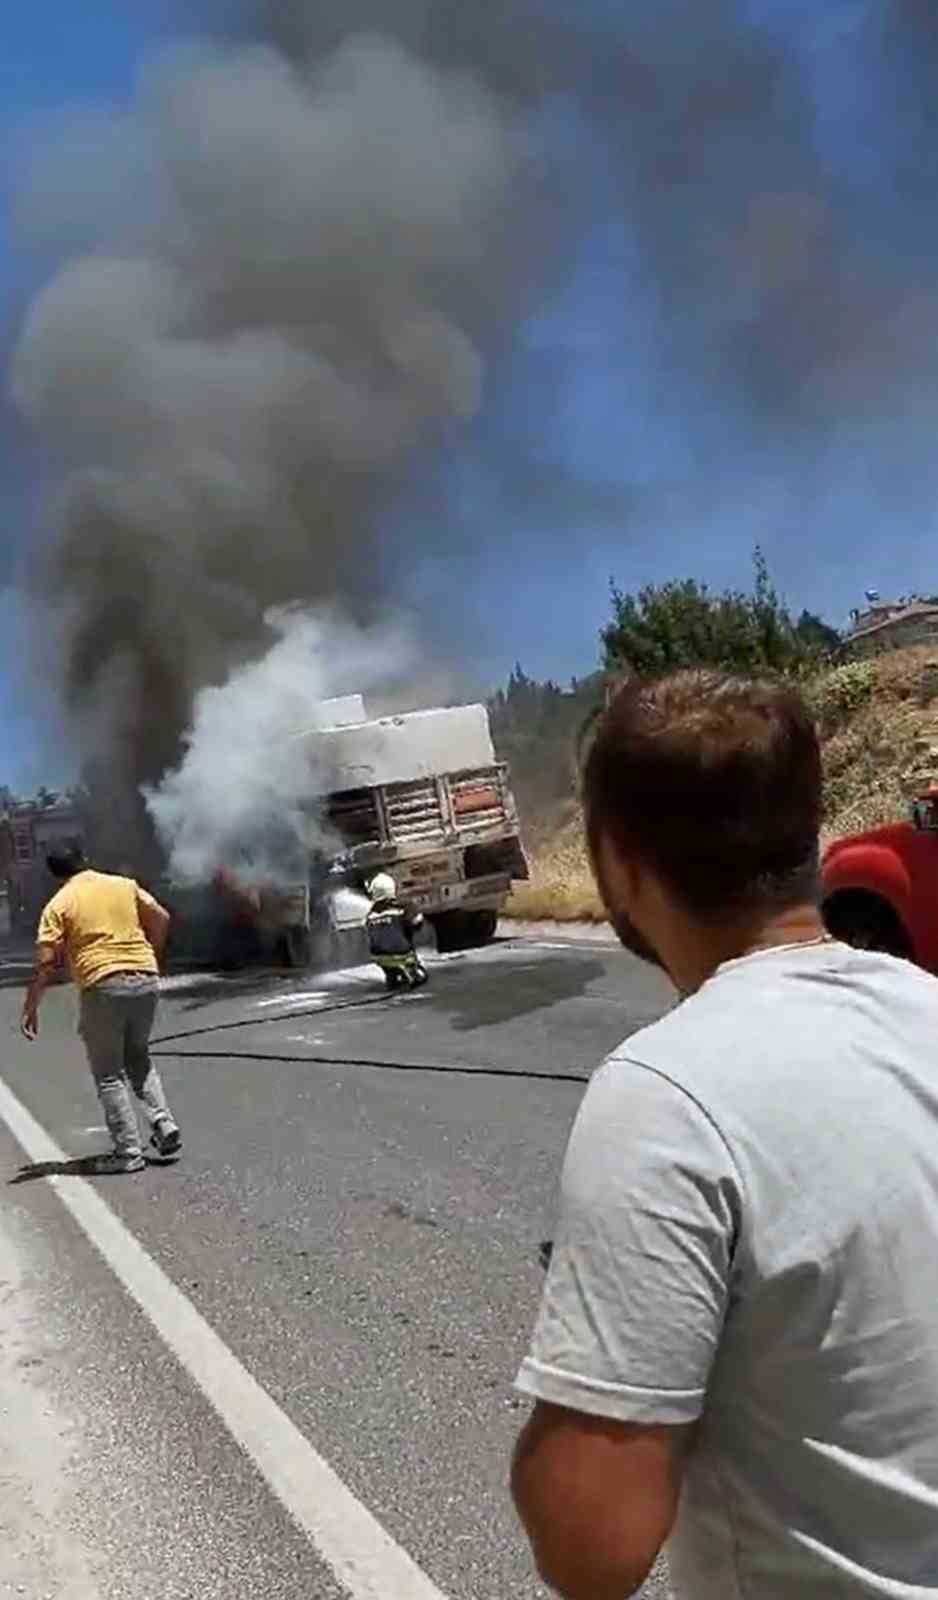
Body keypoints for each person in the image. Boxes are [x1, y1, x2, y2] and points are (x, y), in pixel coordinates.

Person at [511, 669, 938, 1600]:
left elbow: (594, 1550)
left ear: (619, 867)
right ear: (813, 838)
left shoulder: (662, 1097)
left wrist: (594, 1337)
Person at [21, 849, 182, 1175]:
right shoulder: (122, 885)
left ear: (55, 873)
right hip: (145, 978)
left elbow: (46, 961)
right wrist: (151, 956)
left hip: (102, 983)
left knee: (109, 1073)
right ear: (83, 860)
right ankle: (162, 1123)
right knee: (138, 1056)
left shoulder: (59, 904)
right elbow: (161, 917)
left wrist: (32, 1005)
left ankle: (128, 1153)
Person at [365, 873, 428, 991]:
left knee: (389, 962)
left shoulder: (370, 915)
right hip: (402, 955)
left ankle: (391, 976)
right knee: (421, 977)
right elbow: (416, 924)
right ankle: (412, 973)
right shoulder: (402, 908)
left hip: (379, 958)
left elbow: (370, 934)